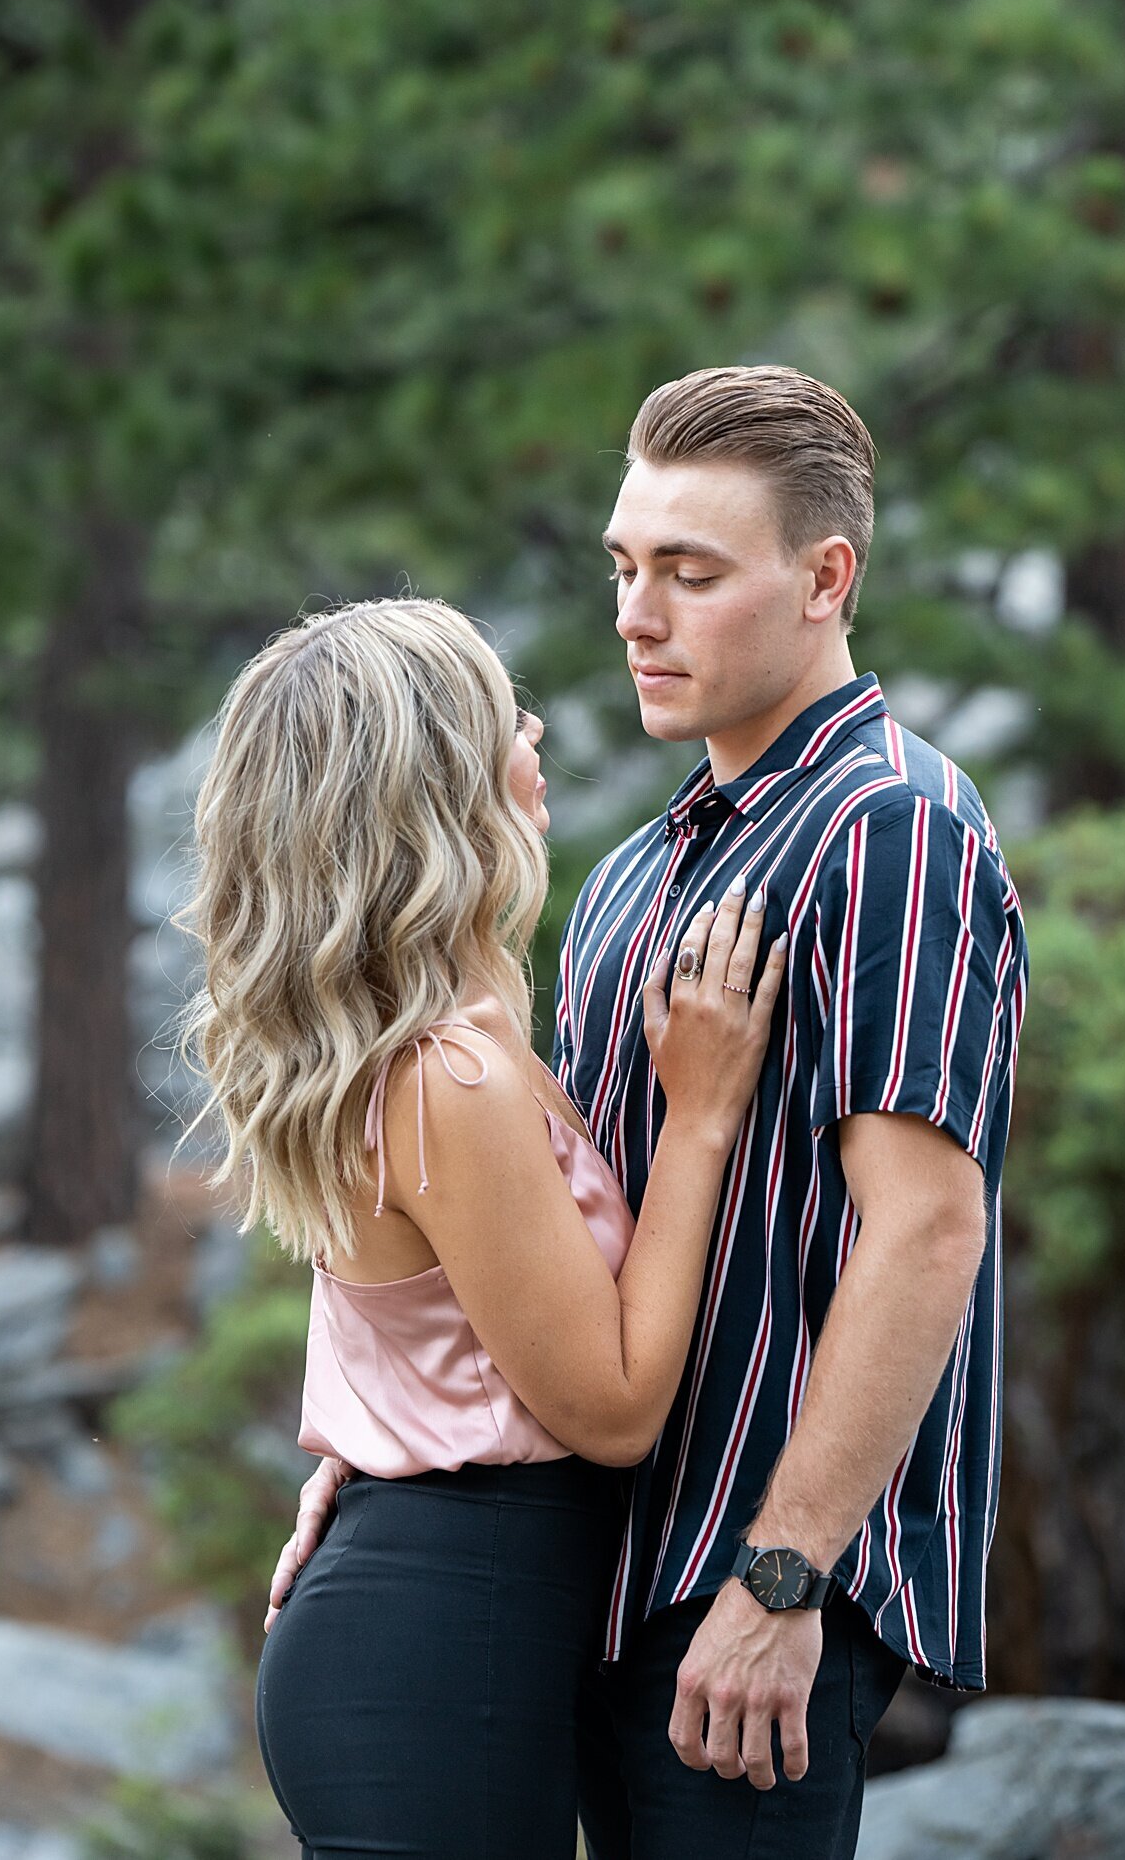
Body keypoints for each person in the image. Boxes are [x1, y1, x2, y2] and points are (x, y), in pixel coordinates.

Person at [272, 366, 1030, 1860]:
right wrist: (384, 1452)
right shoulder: (625, 879)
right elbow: (527, 1240)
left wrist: (789, 1577)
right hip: (593, 1580)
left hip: (746, 1603)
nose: (637, 613)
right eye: (626, 568)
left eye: (692, 573)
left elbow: (931, 1229)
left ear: (828, 579)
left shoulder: (895, 830)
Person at [179, 596, 788, 1860]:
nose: (538, 727)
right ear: (438, 781)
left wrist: (363, 1456)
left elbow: (424, 1334)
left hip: (433, 1626)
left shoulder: (440, 1045)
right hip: (439, 1647)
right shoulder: (447, 1074)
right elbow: (613, 1407)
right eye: (503, 713)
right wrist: (702, 1116)